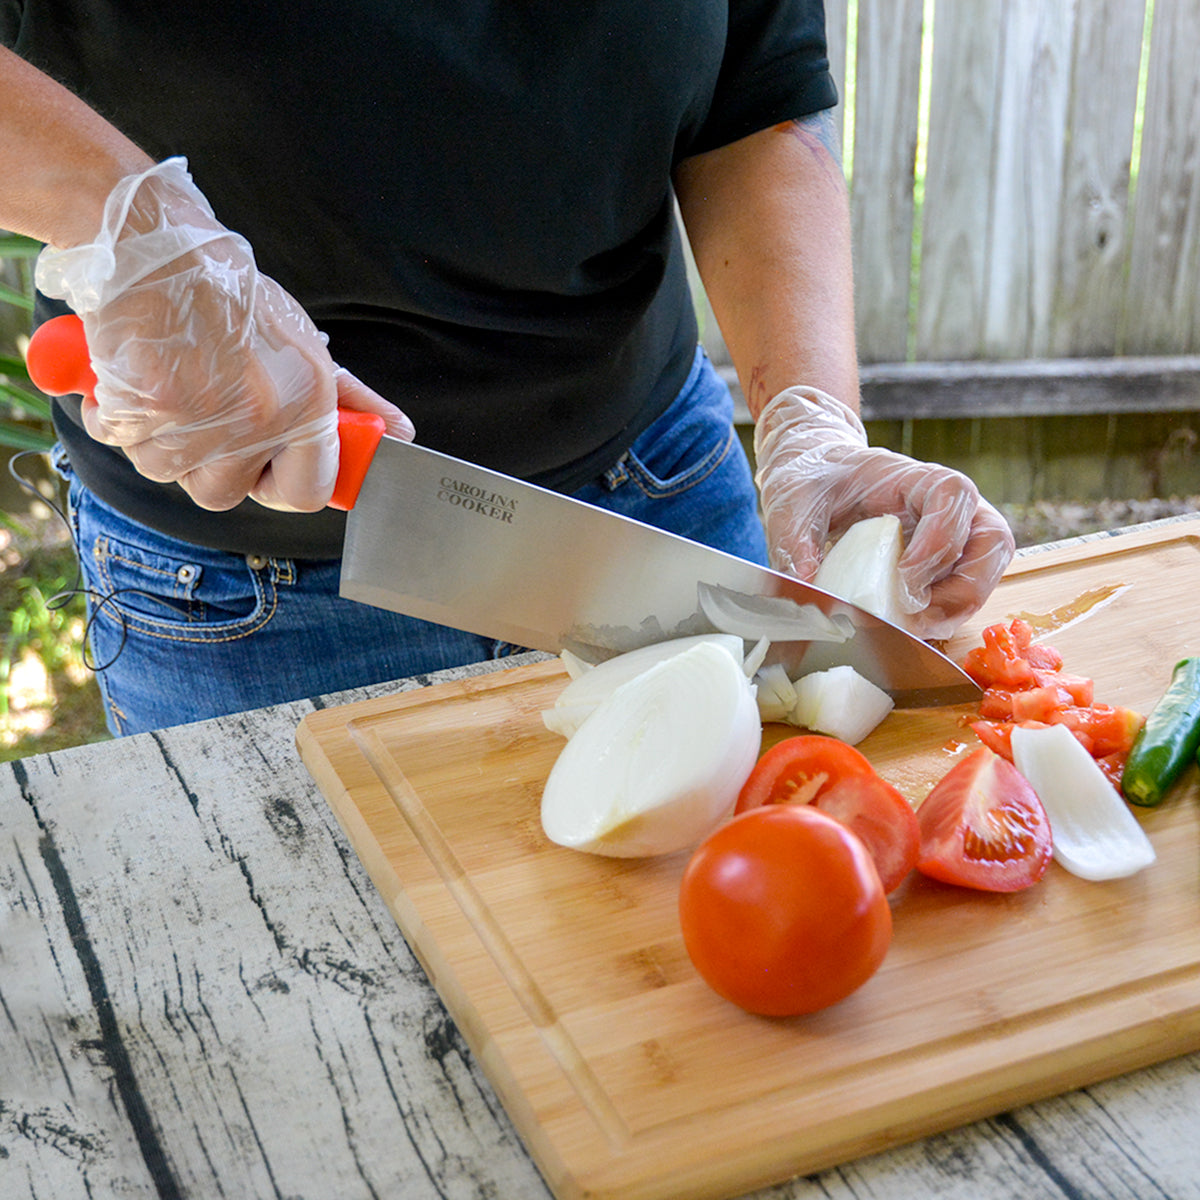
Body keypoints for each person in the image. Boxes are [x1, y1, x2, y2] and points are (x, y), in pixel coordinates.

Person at [1, 3, 1014, 736]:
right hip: (248, 597)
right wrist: (132, 228)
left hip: (661, 506)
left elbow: (758, 95)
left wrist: (811, 423)